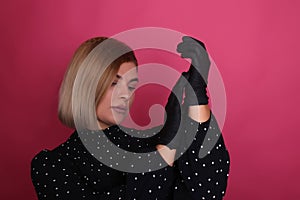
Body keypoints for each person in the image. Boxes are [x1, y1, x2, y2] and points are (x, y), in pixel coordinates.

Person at [31, 36, 230, 200]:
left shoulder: (152, 141)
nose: (126, 94)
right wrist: (162, 155)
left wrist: (197, 100)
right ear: (85, 87)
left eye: (131, 86)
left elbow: (207, 192)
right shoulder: (52, 164)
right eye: (114, 83)